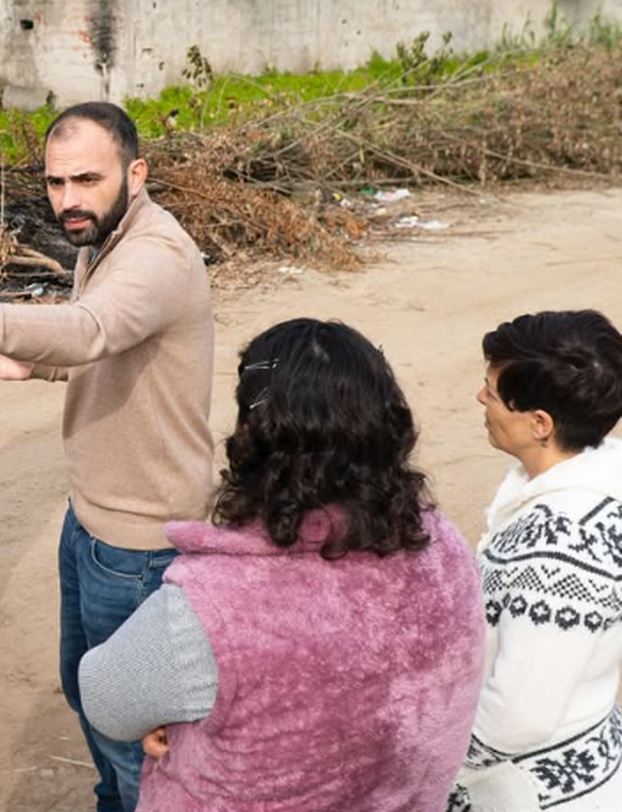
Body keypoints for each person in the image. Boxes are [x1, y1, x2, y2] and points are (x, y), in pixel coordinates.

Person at [0, 100, 216, 811]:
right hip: (93, 521)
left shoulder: (156, 252)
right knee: (88, 692)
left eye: (86, 180)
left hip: (141, 542)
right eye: (55, 182)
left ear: (137, 172)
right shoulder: (103, 240)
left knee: (134, 735)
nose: (68, 199)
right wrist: (38, 367)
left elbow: (91, 328)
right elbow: (112, 346)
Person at [76, 318, 485, 811]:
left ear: (252, 436)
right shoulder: (442, 544)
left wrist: (177, 720)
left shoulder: (216, 603)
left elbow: (107, 701)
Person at [450, 310, 622, 812]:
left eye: (493, 391)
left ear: (540, 424)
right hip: (591, 763)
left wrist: (437, 760)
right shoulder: (598, 487)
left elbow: (519, 714)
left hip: (536, 796)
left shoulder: (558, 543)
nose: (481, 398)